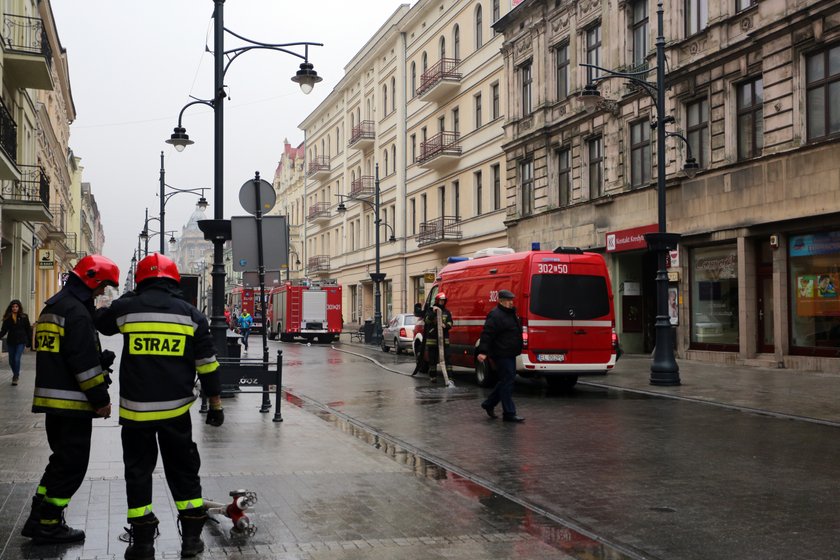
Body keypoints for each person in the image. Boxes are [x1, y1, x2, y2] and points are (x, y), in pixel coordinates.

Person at [95, 253, 223, 560]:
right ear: (174, 281)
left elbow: (101, 322)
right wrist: (215, 404)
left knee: (138, 473)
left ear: (141, 280)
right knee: (184, 472)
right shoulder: (191, 315)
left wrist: (130, 295)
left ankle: (142, 544)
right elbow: (207, 365)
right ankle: (191, 541)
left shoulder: (128, 309)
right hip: (176, 413)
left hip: (136, 413)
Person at [22, 255, 118, 543]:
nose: (102, 292)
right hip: (73, 403)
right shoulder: (76, 312)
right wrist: (101, 398)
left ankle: (38, 516)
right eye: (102, 286)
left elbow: (63, 354)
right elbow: (82, 363)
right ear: (91, 280)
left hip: (54, 401)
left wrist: (98, 359)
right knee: (72, 466)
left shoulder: (54, 306)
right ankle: (49, 524)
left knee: (60, 461)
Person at [477, 289, 525, 423]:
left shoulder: (511, 313)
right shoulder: (495, 315)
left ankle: (489, 404)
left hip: (510, 352)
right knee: (508, 381)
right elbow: (487, 334)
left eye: (512, 300)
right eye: (508, 300)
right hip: (501, 353)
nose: (511, 303)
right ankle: (509, 413)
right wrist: (483, 352)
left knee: (506, 380)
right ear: (501, 301)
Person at [0, 299, 33, 385]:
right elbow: (4, 330)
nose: (14, 308)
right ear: (11, 308)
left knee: (16, 359)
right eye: (13, 307)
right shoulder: (8, 318)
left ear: (19, 307)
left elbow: (28, 330)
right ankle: (15, 374)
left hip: (21, 341)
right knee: (11, 361)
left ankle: (15, 376)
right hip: (11, 341)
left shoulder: (24, 317)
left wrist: (30, 341)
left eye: (16, 307)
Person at [423, 292, 452, 383]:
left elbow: (450, 323)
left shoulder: (447, 312)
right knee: (433, 358)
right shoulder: (431, 310)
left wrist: (445, 325)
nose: (442, 302)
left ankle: (449, 377)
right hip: (433, 339)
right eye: (441, 300)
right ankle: (433, 376)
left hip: (444, 339)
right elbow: (426, 320)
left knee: (447, 358)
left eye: (443, 301)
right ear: (437, 301)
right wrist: (433, 313)